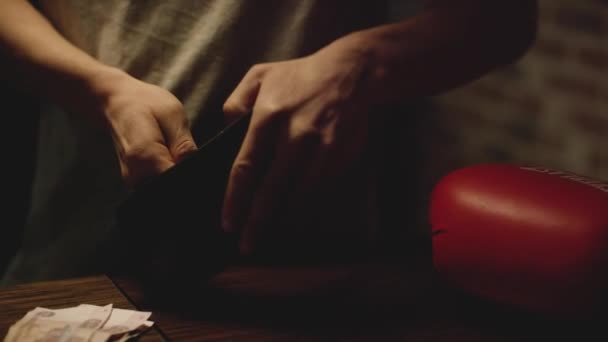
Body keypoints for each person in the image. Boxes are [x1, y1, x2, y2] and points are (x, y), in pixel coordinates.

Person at [0, 0, 538, 286]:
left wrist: (360, 62)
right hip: (73, 246)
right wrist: (100, 89)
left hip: (304, 276)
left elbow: (499, 19)